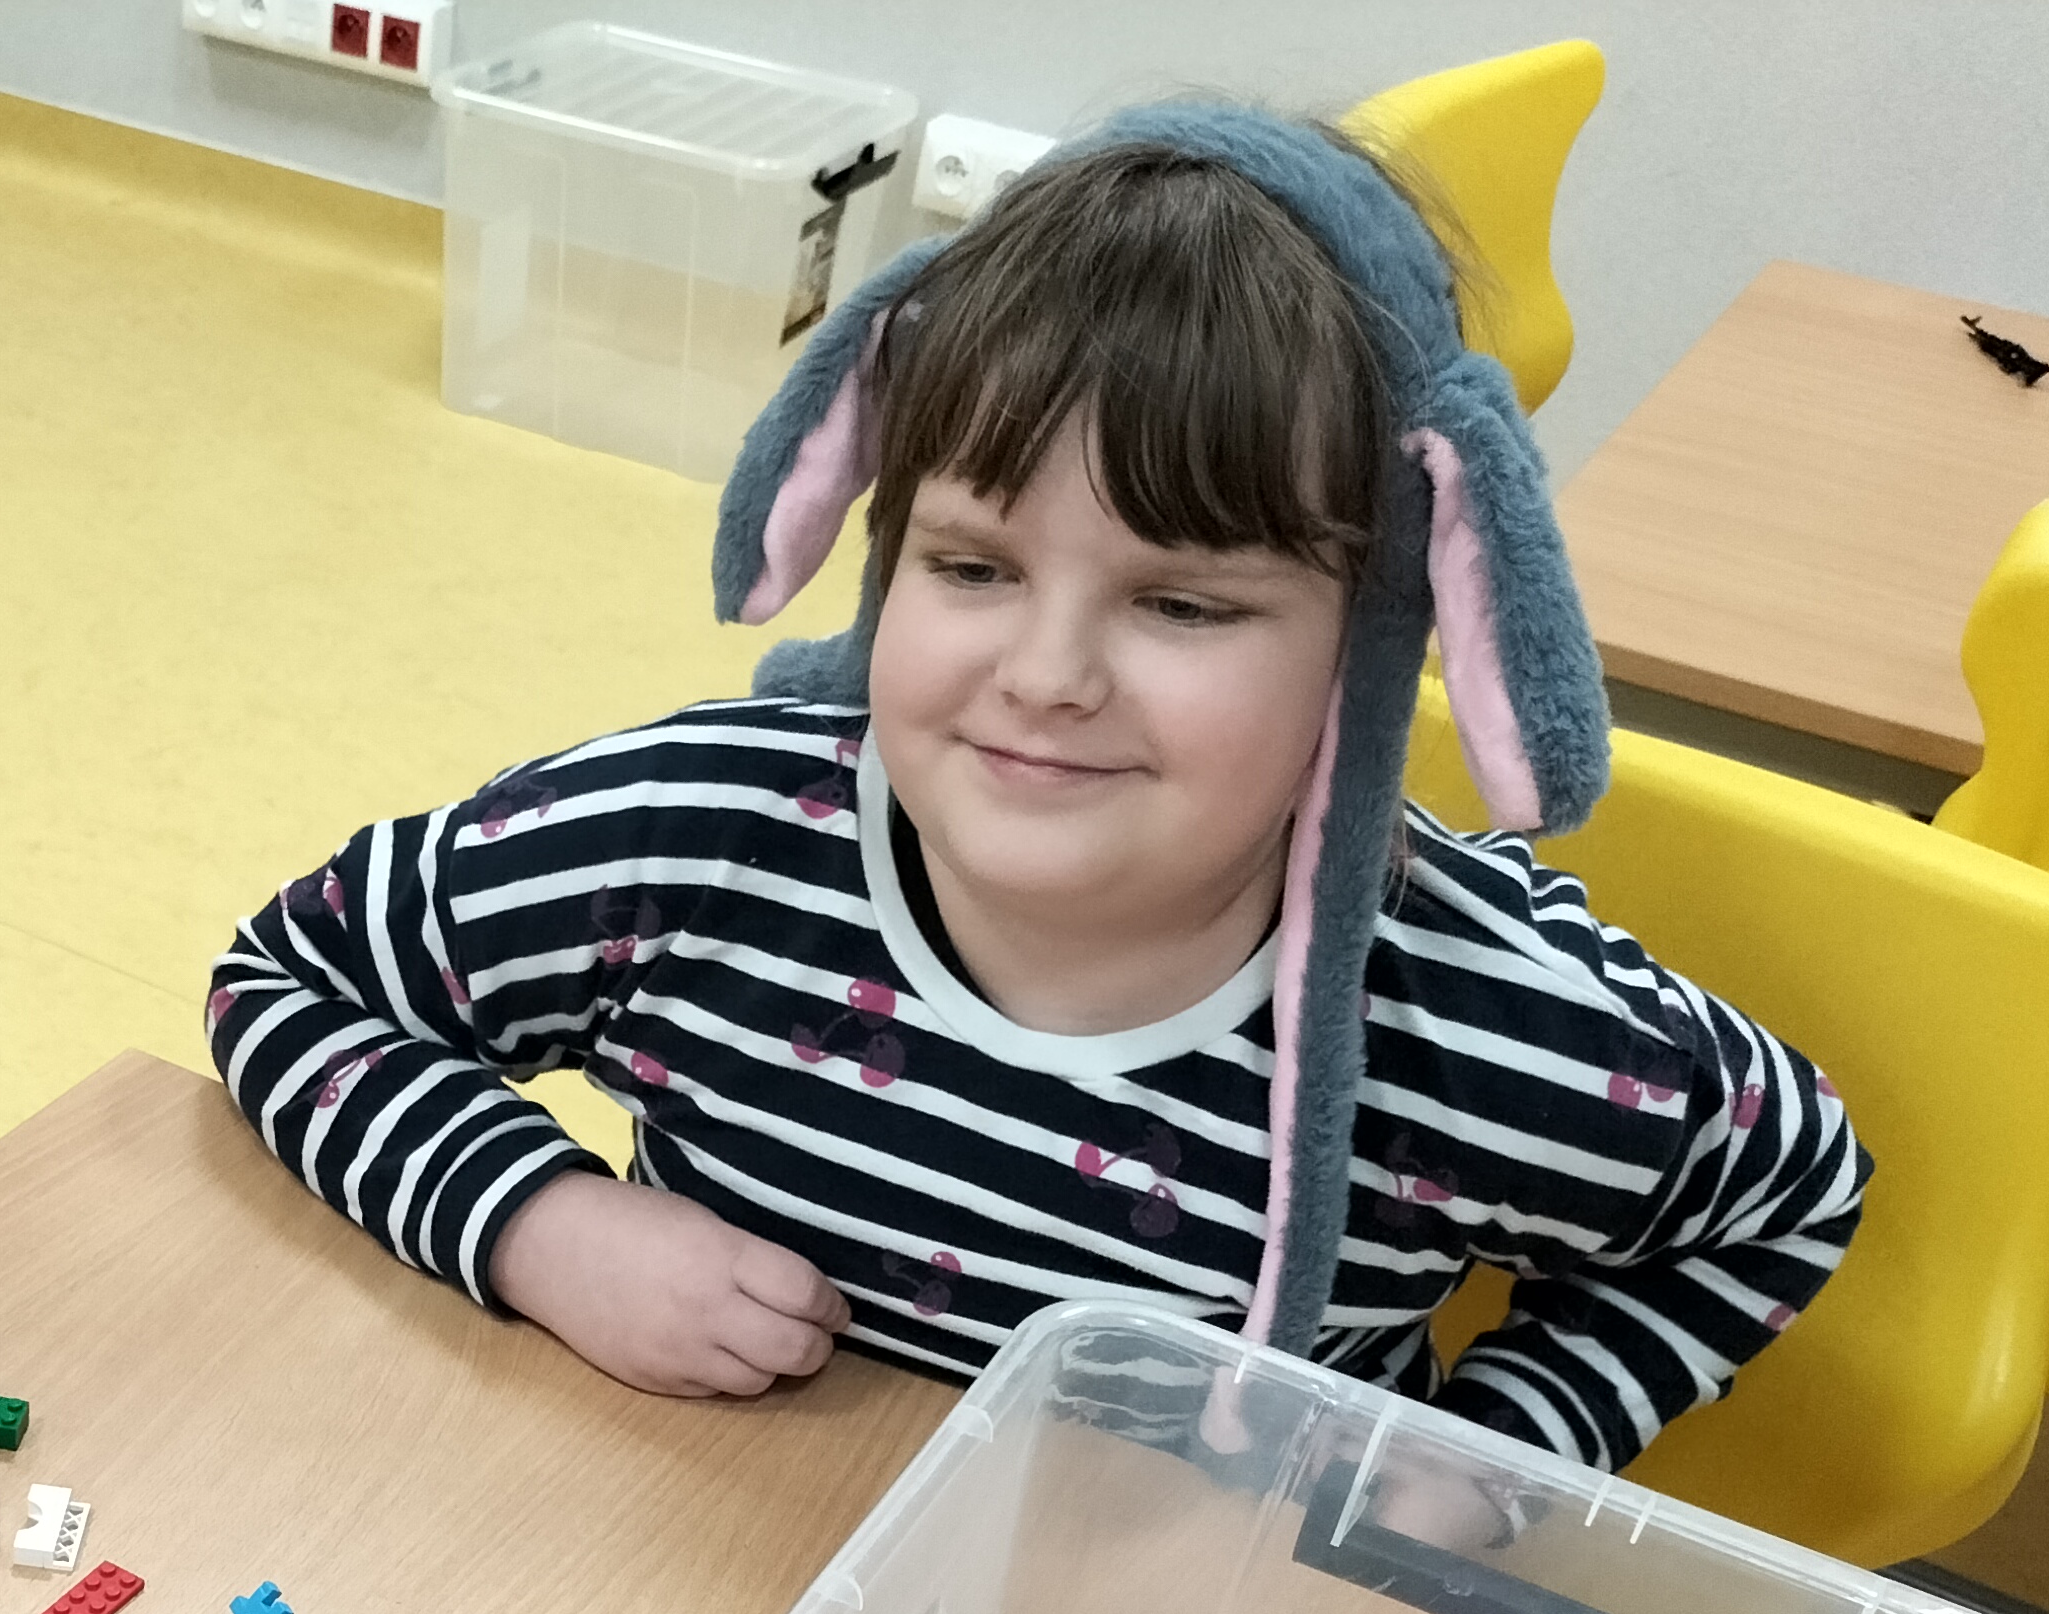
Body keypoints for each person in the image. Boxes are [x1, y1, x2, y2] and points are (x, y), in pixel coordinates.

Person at [207, 110, 1869, 1475]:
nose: (1049, 672)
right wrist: (537, 1224)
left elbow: (1786, 1199)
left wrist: (1484, 1468)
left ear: (1375, 641)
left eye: (1184, 602)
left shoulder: (1484, 1027)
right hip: (698, 1585)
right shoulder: (697, 839)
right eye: (973, 566)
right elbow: (292, 979)